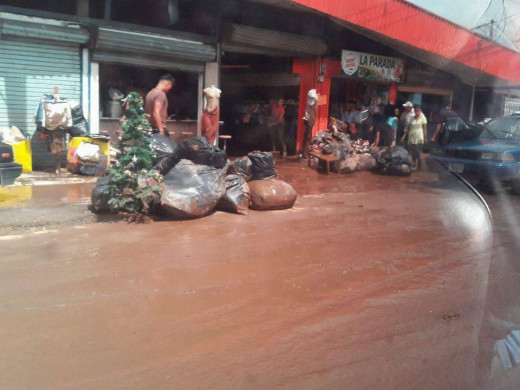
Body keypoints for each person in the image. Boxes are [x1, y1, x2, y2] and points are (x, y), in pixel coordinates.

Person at [402, 104, 427, 170]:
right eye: (416, 111)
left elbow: (424, 129)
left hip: (419, 137)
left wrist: (425, 138)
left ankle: (419, 166)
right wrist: (404, 136)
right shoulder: (412, 118)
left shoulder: (423, 118)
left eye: (418, 111)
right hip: (412, 137)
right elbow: (408, 128)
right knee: (412, 152)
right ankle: (414, 164)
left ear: (420, 111)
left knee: (418, 152)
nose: (417, 112)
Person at [302, 89, 318, 158]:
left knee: (307, 136)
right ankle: (304, 153)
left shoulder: (310, 99)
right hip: (309, 120)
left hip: (308, 119)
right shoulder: (312, 100)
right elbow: (313, 110)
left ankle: (305, 152)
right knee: (307, 136)